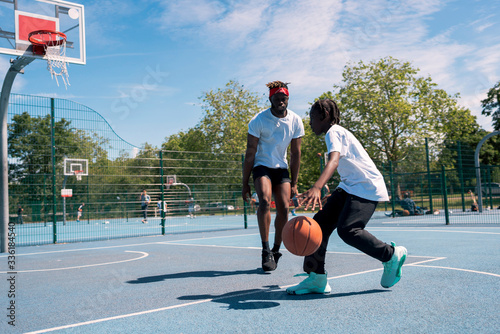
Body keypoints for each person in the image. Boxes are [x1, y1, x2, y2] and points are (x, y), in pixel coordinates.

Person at [286, 99, 407, 295]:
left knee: (348, 230)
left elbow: (334, 160)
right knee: (318, 226)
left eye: (312, 118)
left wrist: (317, 187)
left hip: (366, 187)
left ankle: (390, 255)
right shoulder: (336, 133)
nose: (310, 123)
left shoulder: (334, 131)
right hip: (350, 186)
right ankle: (316, 278)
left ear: (324, 116)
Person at [242, 81, 305, 272]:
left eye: (283, 98)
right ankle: (265, 249)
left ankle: (277, 250)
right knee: (264, 201)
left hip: (281, 168)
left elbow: (296, 154)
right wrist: (245, 183)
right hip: (262, 166)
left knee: (285, 208)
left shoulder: (295, 120)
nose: (281, 101)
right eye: (277, 98)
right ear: (270, 99)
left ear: (288, 99)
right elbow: (250, 153)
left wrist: (294, 183)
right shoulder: (258, 120)